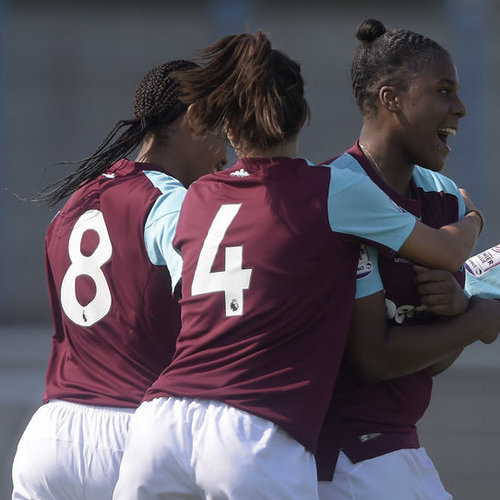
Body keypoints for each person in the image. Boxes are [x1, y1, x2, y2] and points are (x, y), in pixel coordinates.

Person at [112, 31, 494, 500]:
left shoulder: (199, 193)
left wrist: (459, 306)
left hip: (161, 421)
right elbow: (445, 254)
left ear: (230, 129)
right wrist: (475, 221)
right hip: (255, 425)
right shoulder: (331, 188)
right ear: (302, 116)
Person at [11, 60, 227, 500]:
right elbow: (216, 315)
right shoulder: (174, 205)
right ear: (194, 121)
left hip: (49, 437)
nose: (228, 153)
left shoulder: (72, 204)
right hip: (130, 435)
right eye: (222, 130)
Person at [316, 19, 500, 500]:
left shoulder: (444, 200)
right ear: (390, 98)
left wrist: (457, 309)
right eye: (443, 91)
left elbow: (433, 362)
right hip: (336, 451)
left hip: (397, 443)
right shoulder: (332, 192)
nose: (459, 108)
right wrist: (482, 318)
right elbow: (372, 358)